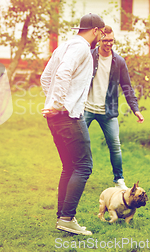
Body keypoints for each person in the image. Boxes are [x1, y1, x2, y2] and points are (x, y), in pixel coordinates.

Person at [40, 13, 105, 236]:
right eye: (101, 33)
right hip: (68, 116)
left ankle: (63, 217)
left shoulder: (63, 46)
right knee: (84, 166)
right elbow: (63, 72)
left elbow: (45, 78)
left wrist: (52, 104)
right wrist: (59, 104)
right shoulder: (81, 48)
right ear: (96, 31)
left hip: (55, 117)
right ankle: (67, 217)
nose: (101, 37)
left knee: (69, 167)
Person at [84, 25, 144, 190]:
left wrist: (136, 110)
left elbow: (127, 87)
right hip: (86, 108)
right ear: (99, 40)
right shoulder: (89, 56)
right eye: (105, 40)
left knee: (115, 145)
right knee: (78, 143)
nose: (108, 44)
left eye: (111, 40)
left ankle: (119, 179)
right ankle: (76, 175)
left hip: (108, 111)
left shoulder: (119, 62)